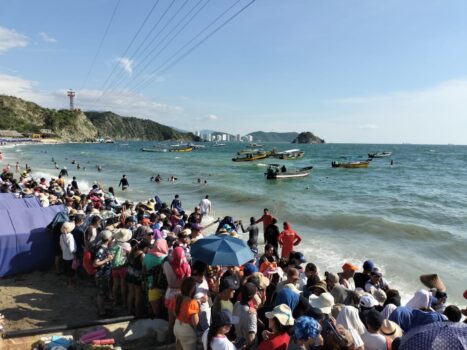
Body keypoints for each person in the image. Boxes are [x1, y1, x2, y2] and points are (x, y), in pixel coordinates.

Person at [143, 239, 169, 318]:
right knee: (164, 309)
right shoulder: (165, 258)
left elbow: (143, 271)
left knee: (154, 309)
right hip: (164, 286)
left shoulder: (146, 256)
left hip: (151, 286)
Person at [174, 277, 199, 350]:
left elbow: (175, 313)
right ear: (192, 290)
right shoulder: (192, 303)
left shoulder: (177, 298)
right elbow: (195, 323)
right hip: (187, 332)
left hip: (177, 326)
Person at [93, 230, 114, 318]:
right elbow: (95, 263)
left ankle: (102, 309)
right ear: (108, 238)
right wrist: (107, 259)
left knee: (102, 293)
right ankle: (101, 312)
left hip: (103, 274)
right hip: (101, 274)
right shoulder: (101, 248)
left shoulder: (101, 245)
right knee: (101, 294)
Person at [233, 283, 258, 348]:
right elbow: (251, 339)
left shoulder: (236, 304)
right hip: (245, 345)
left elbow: (233, 321)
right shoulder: (251, 313)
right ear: (251, 296)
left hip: (237, 340)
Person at [60, 221, 76, 286]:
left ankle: (68, 282)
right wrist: (74, 253)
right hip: (70, 256)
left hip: (64, 255)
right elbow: (71, 248)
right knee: (71, 270)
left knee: (66, 270)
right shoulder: (70, 236)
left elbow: (61, 245)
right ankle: (70, 283)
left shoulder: (61, 236)